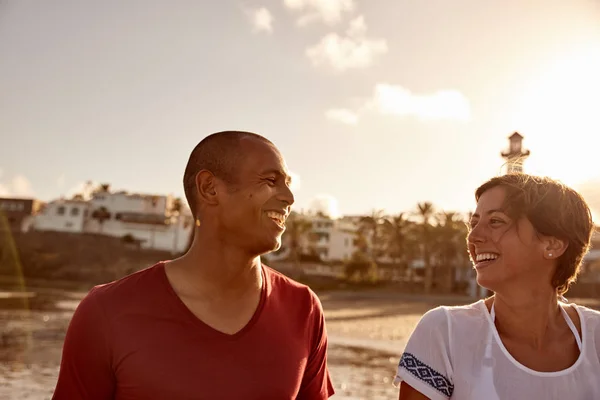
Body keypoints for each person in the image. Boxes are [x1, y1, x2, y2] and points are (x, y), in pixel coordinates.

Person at [53, 131, 335, 399]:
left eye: (287, 183)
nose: (289, 197)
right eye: (270, 180)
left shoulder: (304, 310)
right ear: (209, 188)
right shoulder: (106, 312)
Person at [394, 173, 600, 399]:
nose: (473, 237)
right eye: (474, 223)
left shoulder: (595, 335)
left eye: (495, 221)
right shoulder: (445, 332)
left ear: (552, 244)